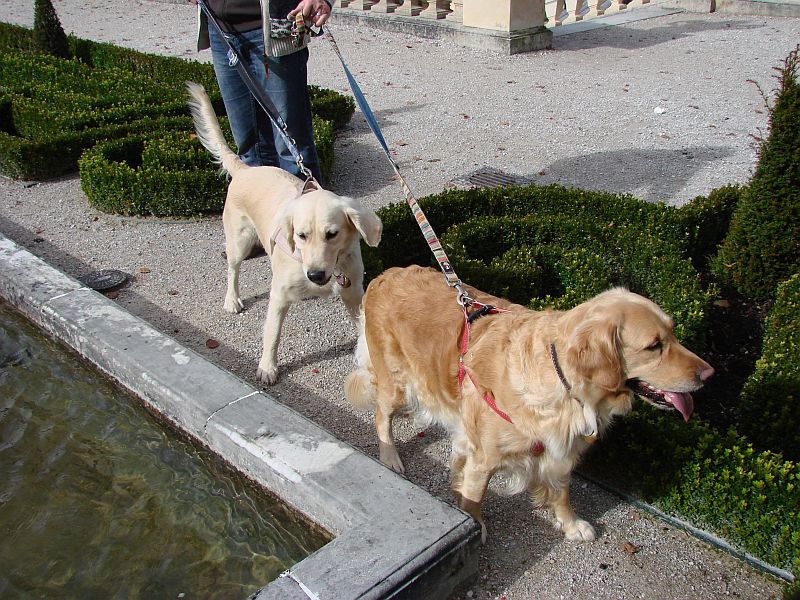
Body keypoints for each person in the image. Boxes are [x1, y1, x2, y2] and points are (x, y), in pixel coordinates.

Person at [191, 0, 332, 183]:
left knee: (292, 151)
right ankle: (264, 211)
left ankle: (306, 208)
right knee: (249, 151)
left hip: (275, 28)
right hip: (219, 27)